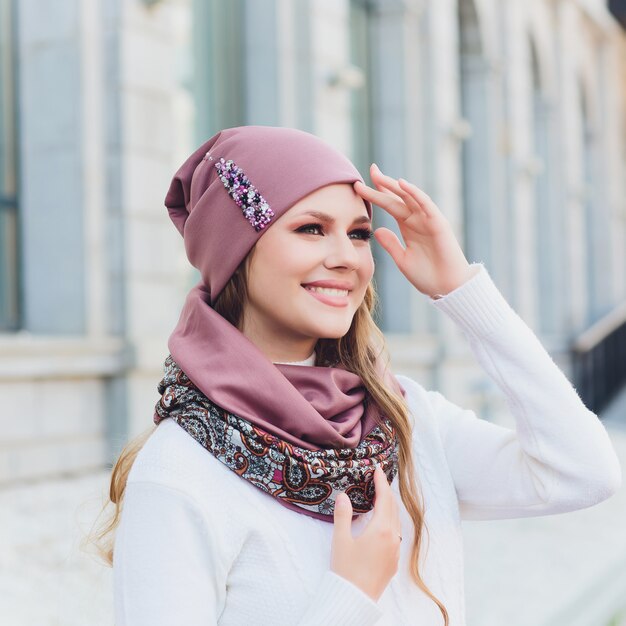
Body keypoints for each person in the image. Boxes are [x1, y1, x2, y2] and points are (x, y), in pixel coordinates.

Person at [91, 125, 622, 625]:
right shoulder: (180, 472)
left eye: (360, 233)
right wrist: (349, 598)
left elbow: (581, 472)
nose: (347, 258)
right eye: (311, 229)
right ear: (235, 249)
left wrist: (461, 291)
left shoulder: (402, 419)